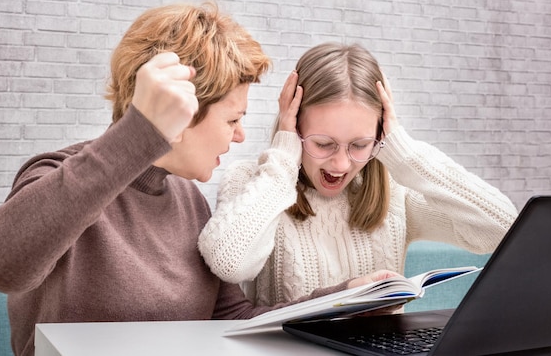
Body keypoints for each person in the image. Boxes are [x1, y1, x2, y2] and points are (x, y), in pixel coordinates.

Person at [0, 4, 397, 356]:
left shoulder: (188, 199)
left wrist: (343, 299)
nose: (239, 134)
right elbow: (2, 266)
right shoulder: (62, 176)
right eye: (233, 118)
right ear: (182, 111)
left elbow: (233, 320)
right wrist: (141, 131)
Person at [198, 42, 519, 307]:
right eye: (323, 144)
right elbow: (230, 262)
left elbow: (501, 227)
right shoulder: (254, 182)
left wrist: (404, 153)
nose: (340, 164)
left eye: (359, 145)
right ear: (294, 128)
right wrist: (283, 156)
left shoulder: (396, 198)